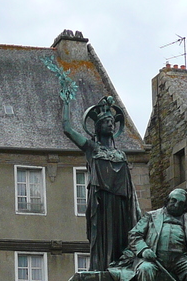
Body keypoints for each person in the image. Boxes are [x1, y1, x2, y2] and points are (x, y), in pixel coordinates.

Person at [60, 93, 139, 271]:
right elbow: (68, 129)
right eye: (105, 122)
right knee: (104, 240)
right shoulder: (92, 148)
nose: (110, 124)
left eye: (112, 122)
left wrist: (137, 210)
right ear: (97, 127)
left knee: (122, 239)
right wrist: (66, 103)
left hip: (121, 203)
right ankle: (103, 269)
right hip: (102, 202)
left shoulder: (121, 155)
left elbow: (131, 188)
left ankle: (122, 267)